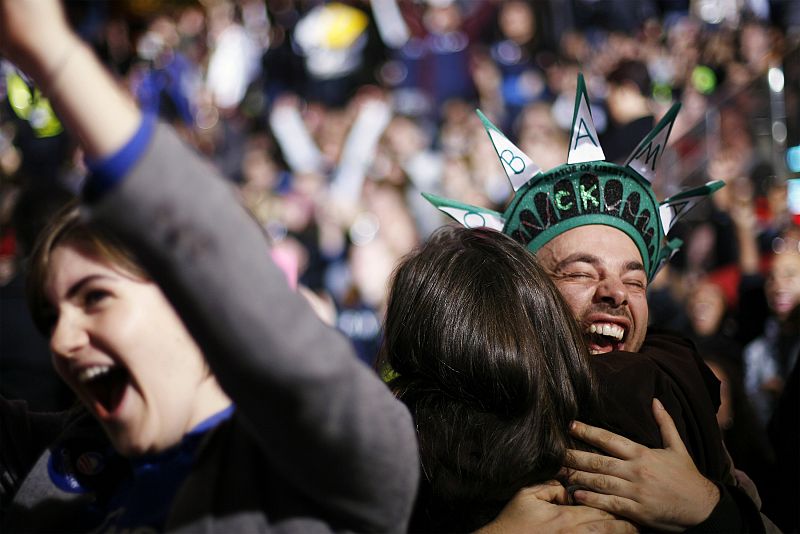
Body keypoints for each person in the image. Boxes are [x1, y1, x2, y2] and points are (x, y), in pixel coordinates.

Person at [0, 1, 419, 532]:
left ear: (194, 296)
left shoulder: (326, 460)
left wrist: (53, 54)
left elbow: (206, 239)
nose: (60, 340)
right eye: (49, 315)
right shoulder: (64, 462)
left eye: (94, 297)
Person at [425, 74, 772, 531]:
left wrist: (710, 508)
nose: (613, 292)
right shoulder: (452, 416)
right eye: (581, 273)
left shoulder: (683, 397)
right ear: (525, 294)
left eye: (636, 281)